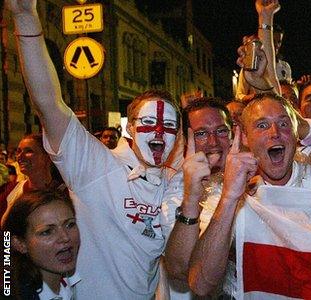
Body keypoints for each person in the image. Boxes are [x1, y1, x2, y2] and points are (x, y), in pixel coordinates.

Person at [8, 0, 184, 298]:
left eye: (168, 126)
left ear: (179, 136)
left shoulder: (178, 183)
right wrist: (26, 19)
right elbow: (49, 104)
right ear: (130, 128)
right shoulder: (97, 166)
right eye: (149, 122)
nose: (157, 132)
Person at [186, 93, 311, 297]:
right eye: (261, 125)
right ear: (244, 138)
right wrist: (230, 198)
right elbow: (201, 284)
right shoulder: (223, 189)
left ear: (296, 135)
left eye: (284, 124)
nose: (275, 133)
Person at [162, 97, 234, 296]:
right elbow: (180, 270)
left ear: (232, 134)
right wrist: (191, 199)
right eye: (201, 134)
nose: (213, 142)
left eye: (221, 131)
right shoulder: (179, 187)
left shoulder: (251, 173)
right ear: (186, 140)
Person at [2, 190, 80, 299]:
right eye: (47, 231)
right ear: (20, 244)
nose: (65, 237)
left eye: (70, 224)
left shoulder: (75, 280)